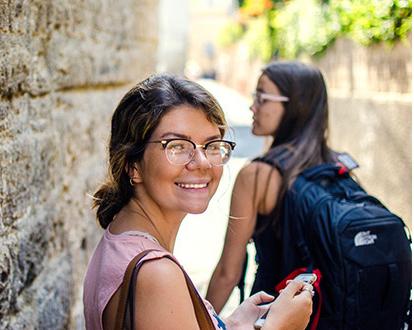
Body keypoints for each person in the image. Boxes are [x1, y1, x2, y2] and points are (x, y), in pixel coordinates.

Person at [83, 73, 313, 330]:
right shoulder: (157, 274)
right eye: (178, 146)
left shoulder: (121, 237)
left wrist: (229, 324)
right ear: (132, 165)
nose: (203, 163)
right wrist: (279, 327)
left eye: (212, 145)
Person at [206, 61, 336, 313]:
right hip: (328, 315)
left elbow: (227, 272)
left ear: (294, 106)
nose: (252, 106)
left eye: (262, 98)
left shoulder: (257, 176)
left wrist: (203, 322)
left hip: (274, 314)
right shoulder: (339, 166)